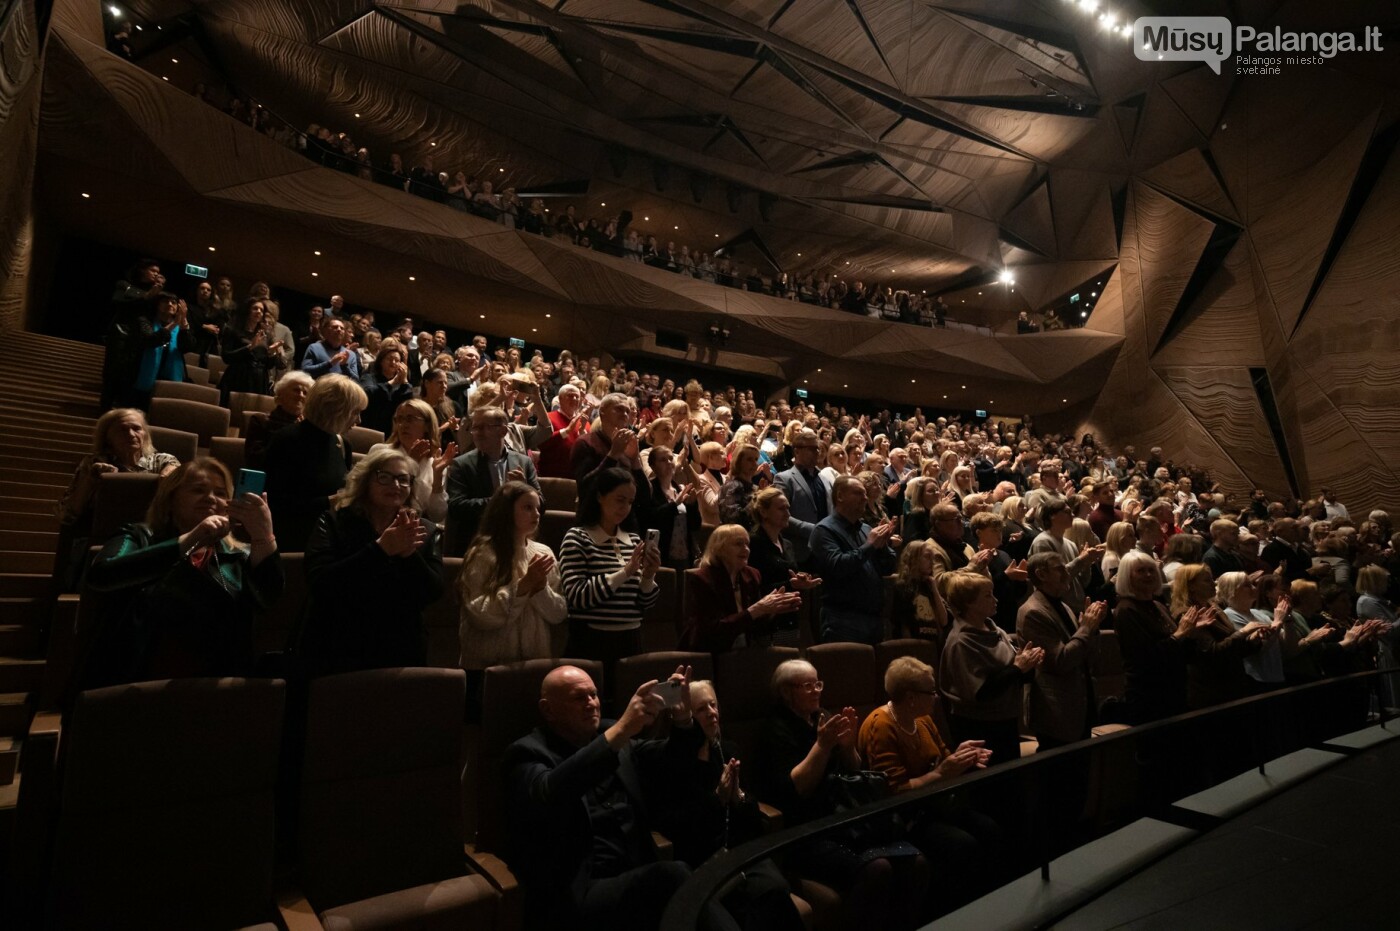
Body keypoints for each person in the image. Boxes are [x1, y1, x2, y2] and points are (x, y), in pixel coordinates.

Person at [502, 665, 740, 931]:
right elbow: (552, 792)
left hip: (635, 876)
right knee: (674, 875)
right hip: (579, 892)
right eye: (579, 698)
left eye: (594, 695)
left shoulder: (614, 734)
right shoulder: (527, 753)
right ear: (548, 710)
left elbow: (669, 760)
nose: (592, 703)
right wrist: (621, 731)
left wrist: (683, 720)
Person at [754, 659, 929, 931]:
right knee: (878, 869)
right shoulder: (773, 729)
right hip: (806, 830)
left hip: (844, 820)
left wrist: (847, 747)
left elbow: (853, 770)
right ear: (786, 692)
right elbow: (797, 789)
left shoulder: (820, 717)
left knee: (915, 862)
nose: (816, 691)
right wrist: (822, 746)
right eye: (807, 686)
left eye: (818, 683)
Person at [81, 459, 282, 688]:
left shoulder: (238, 553)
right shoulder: (140, 536)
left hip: (217, 681)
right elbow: (101, 575)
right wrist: (191, 538)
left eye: (220, 492)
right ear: (170, 499)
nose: (210, 498)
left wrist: (263, 536)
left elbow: (269, 600)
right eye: (198, 490)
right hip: (136, 675)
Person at [644, 681, 806, 931]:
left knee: (776, 889)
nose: (712, 712)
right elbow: (672, 825)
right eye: (700, 709)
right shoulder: (665, 760)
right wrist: (716, 799)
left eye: (713, 704)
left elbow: (752, 818)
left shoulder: (727, 749)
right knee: (761, 901)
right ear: (680, 716)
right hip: (698, 859)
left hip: (737, 851)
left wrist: (737, 796)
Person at [858, 657, 998, 912]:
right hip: (905, 817)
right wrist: (944, 771)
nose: (936, 697)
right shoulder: (882, 726)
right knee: (963, 845)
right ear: (911, 697)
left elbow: (942, 759)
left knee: (989, 828)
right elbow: (894, 792)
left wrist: (962, 756)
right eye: (930, 692)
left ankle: (986, 908)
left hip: (933, 805)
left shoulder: (922, 719)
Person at [299, 447, 444, 679]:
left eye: (403, 479)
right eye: (384, 477)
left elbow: (432, 592)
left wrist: (409, 555)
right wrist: (380, 549)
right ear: (366, 480)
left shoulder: (424, 529)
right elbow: (321, 584)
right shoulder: (335, 521)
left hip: (400, 646)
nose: (395, 485)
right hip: (339, 644)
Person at [459, 482, 567, 718]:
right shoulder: (483, 552)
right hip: (487, 669)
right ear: (506, 510)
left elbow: (559, 613)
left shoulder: (544, 553)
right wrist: (523, 586)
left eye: (538, 508)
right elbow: (479, 614)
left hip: (532, 666)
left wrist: (539, 590)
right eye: (527, 507)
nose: (536, 514)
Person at [56, 408, 180, 589]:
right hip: (103, 538)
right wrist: (90, 482)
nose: (131, 434)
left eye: (137, 428)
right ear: (107, 437)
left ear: (145, 433)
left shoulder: (163, 460)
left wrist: (172, 476)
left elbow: (175, 475)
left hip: (150, 537)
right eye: (122, 429)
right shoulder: (93, 463)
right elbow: (67, 515)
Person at [558, 468, 660, 672]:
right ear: (600, 497)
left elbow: (643, 604)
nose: (625, 508)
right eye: (620, 500)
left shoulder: (631, 540)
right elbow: (577, 597)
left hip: (631, 639)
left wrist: (648, 577)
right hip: (592, 641)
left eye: (630, 502)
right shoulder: (578, 537)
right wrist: (625, 573)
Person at [938, 570, 1043, 767]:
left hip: (1006, 720)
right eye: (987, 595)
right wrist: (1018, 667)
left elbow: (1013, 675)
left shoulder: (996, 630)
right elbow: (981, 692)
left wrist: (1029, 663)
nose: (995, 599)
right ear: (969, 603)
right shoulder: (961, 642)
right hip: (980, 728)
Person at [265, 374, 366, 552]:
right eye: (355, 412)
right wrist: (327, 501)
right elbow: (275, 505)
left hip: (328, 542)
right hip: (292, 544)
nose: (359, 421)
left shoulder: (343, 444)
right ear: (335, 409)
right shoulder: (287, 440)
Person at [1017, 552, 1105, 750]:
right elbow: (1060, 661)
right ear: (1041, 574)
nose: (1066, 573)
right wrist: (1086, 629)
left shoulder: (1063, 605)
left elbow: (1087, 656)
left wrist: (1093, 629)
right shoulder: (1033, 612)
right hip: (1057, 713)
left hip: (1079, 707)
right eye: (1059, 569)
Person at [681, 524, 803, 651]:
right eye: (739, 544)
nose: (746, 549)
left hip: (744, 653)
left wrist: (771, 611)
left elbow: (755, 627)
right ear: (719, 548)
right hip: (708, 654)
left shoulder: (752, 575)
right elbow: (712, 631)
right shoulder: (702, 579)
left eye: (747, 544)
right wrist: (756, 610)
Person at [809, 474, 898, 644]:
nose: (865, 498)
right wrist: (870, 545)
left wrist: (882, 546)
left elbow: (888, 567)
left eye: (865, 493)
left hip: (873, 618)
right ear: (840, 496)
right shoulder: (824, 531)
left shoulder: (865, 529)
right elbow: (838, 566)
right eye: (858, 493)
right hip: (842, 619)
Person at [1113, 550, 1198, 723]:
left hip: (1173, 689)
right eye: (1140, 571)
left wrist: (1190, 632)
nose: (1148, 575)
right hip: (1149, 696)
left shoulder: (1157, 605)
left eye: (1151, 570)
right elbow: (1145, 657)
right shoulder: (1126, 610)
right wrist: (1180, 633)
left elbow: (1178, 646)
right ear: (1127, 576)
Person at [445, 406, 541, 554]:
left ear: (503, 431)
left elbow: (542, 504)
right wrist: (500, 499)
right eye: (474, 428)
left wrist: (525, 491)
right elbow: (456, 507)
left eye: (483, 428)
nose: (477, 434)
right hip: (478, 543)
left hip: (517, 540)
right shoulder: (462, 464)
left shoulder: (523, 462)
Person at [1168, 564, 1266, 710]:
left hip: (1232, 683)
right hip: (1212, 692)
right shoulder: (1188, 614)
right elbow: (1212, 653)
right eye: (1207, 580)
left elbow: (1233, 649)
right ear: (1192, 586)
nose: (1213, 583)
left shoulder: (1213, 606)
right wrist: (1243, 632)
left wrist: (1253, 640)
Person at [572, 393, 652, 532]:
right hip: (593, 524)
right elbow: (586, 488)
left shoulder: (629, 446)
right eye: (619, 409)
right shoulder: (586, 442)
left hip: (626, 526)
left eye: (627, 411)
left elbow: (645, 496)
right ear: (602, 411)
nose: (625, 414)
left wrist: (635, 461)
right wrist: (613, 455)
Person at [369, 399, 456, 523]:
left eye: (410, 419)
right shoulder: (380, 452)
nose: (403, 425)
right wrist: (410, 464)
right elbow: (381, 499)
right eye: (399, 419)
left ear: (427, 425)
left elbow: (437, 516)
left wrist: (437, 479)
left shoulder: (435, 463)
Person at [773, 429, 830, 565]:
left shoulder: (824, 478)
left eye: (818, 448)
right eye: (812, 449)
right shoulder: (783, 478)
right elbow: (780, 515)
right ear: (796, 451)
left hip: (825, 549)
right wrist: (812, 530)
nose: (817, 452)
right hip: (800, 550)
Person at [129, 292, 194, 410]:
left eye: (173, 302)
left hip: (169, 382)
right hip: (141, 381)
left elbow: (187, 347)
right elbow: (150, 341)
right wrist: (174, 323)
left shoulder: (181, 328)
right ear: (157, 305)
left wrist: (183, 322)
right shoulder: (145, 321)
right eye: (165, 301)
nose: (170, 304)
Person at [643, 445, 702, 572]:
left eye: (671, 458)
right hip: (661, 555)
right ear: (652, 466)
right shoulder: (649, 490)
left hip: (685, 554)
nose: (669, 462)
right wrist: (675, 504)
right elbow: (651, 520)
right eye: (663, 460)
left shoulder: (680, 489)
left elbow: (695, 525)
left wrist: (692, 505)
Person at [244, 371, 312, 469]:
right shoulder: (260, 421)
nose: (301, 395)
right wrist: (292, 432)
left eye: (305, 393)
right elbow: (255, 460)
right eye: (296, 390)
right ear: (281, 394)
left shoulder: (308, 427)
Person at [218, 298, 278, 405]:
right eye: (255, 308)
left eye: (261, 310)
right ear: (247, 310)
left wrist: (272, 353)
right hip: (238, 377)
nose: (259, 311)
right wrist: (249, 347)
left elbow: (267, 365)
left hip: (259, 381)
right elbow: (226, 357)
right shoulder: (232, 330)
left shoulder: (265, 334)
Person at [890, 539, 948, 647]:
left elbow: (944, 620)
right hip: (914, 644)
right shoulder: (903, 586)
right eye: (927, 557)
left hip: (933, 644)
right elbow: (903, 623)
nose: (932, 562)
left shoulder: (930, 585)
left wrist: (934, 589)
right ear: (914, 558)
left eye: (933, 558)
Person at [357, 339, 415, 435]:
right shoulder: (369, 377)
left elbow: (409, 403)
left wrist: (404, 381)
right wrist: (391, 383)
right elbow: (367, 393)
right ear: (381, 361)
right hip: (369, 425)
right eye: (389, 359)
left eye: (397, 360)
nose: (393, 362)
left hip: (391, 429)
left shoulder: (401, 384)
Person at [717, 445, 765, 530]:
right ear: (738, 462)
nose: (755, 464)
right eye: (749, 460)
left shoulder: (755, 487)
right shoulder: (732, 486)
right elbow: (733, 519)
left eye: (756, 459)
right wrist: (757, 497)